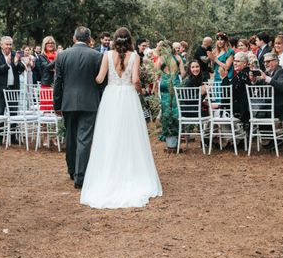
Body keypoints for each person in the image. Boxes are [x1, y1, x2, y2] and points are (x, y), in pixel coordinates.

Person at [80, 27, 162, 208]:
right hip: (128, 98)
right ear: (130, 40)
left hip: (110, 98)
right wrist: (141, 93)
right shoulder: (135, 57)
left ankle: (109, 174)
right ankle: (130, 173)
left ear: (114, 40)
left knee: (109, 135)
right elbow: (135, 81)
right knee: (131, 136)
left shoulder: (107, 55)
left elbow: (100, 79)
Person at [53, 26, 103, 189]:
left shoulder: (62, 56)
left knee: (70, 136)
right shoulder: (97, 56)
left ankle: (72, 170)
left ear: (74, 38)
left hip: (68, 103)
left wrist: (57, 104)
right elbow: (102, 83)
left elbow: (58, 83)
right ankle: (80, 177)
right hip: (90, 103)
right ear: (89, 39)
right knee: (84, 139)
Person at [0, 36, 26, 145]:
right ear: (1, 45)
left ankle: (13, 137)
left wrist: (16, 63)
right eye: (7, 44)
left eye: (10, 44)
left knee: (13, 113)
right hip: (0, 89)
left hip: (13, 89)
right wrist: (7, 65)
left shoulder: (15, 54)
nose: (9, 46)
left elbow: (21, 69)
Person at [251, 52, 283, 122]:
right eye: (264, 62)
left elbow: (282, 86)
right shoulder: (268, 72)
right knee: (251, 107)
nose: (265, 64)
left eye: (268, 62)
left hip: (281, 107)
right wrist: (254, 81)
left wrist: (267, 79)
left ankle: (265, 132)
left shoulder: (281, 72)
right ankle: (264, 131)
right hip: (271, 105)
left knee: (255, 110)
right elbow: (261, 85)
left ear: (276, 62)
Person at [156, 42, 185, 146]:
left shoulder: (161, 58)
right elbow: (183, 73)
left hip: (164, 83)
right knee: (176, 108)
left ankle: (168, 135)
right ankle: (176, 134)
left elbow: (157, 73)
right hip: (175, 83)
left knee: (166, 108)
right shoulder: (178, 58)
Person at [222, 52, 252, 126]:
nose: (235, 63)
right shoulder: (245, 73)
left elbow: (229, 92)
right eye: (234, 61)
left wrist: (224, 78)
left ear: (245, 63)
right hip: (246, 106)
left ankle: (230, 135)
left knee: (217, 111)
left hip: (241, 108)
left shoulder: (242, 75)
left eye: (238, 61)